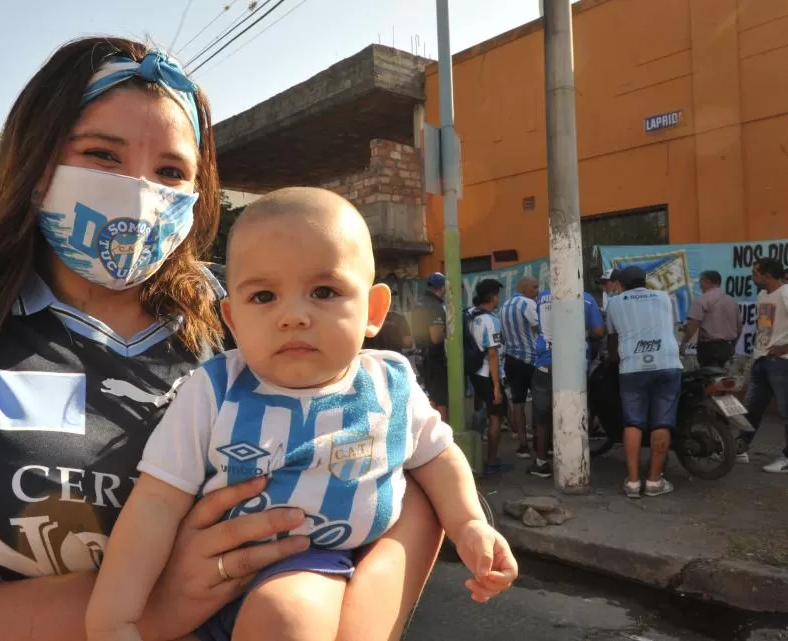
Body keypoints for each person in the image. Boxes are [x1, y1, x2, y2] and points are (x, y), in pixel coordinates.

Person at [0, 38, 444, 641]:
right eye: (102, 155)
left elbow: (403, 478)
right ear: (36, 168)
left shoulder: (251, 313)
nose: (139, 191)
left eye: (171, 170)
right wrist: (151, 606)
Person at [86, 189, 518, 641]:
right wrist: (114, 617)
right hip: (201, 578)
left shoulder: (389, 383)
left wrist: (469, 523)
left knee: (287, 615)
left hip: (311, 563)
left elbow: (436, 456)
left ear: (373, 311)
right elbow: (156, 501)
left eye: (324, 291)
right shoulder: (214, 389)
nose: (293, 316)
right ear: (232, 321)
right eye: (264, 296)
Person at [605, 266, 682, 497]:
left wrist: (613, 359)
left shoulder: (615, 303)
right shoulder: (665, 297)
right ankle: (654, 481)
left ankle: (632, 482)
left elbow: (612, 338)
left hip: (632, 367)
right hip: (667, 363)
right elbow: (672, 326)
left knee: (633, 422)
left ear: (621, 283)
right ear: (644, 281)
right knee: (662, 422)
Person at [528, 285, 605, 479]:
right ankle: (574, 459)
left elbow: (536, 324)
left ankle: (541, 461)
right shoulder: (586, 299)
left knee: (542, 418)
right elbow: (599, 330)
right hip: (575, 367)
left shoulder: (542, 298)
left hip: (545, 364)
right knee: (576, 413)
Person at [736, 258, 788, 473]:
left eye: (755, 273)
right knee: (752, 408)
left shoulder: (786, 293)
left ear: (767, 276)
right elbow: (766, 329)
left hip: (781, 363)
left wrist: (784, 348)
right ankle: (739, 448)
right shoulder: (762, 295)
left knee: (786, 411)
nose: (752, 277)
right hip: (761, 359)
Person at [466, 279, 507, 474]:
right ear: (493, 297)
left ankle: (474, 455)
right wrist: (497, 386)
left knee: (480, 411)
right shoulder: (490, 320)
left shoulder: (471, 315)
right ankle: (491, 461)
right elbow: (493, 353)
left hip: (474, 372)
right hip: (487, 374)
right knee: (495, 418)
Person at [498, 276, 540, 458]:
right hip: (530, 359)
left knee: (518, 403)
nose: (537, 290)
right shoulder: (528, 304)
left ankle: (523, 445)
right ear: (524, 287)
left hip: (511, 359)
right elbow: (538, 327)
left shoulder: (504, 306)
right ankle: (541, 443)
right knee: (540, 402)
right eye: (535, 287)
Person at [681, 270, 741, 368]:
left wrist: (684, 343)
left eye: (701, 282)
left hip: (709, 348)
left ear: (707, 282)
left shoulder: (702, 300)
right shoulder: (732, 301)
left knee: (708, 380)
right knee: (723, 378)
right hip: (727, 347)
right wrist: (733, 346)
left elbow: (693, 324)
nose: (700, 285)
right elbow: (739, 327)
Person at [413, 272, 448, 420]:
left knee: (431, 398)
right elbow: (436, 337)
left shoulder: (419, 303)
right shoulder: (435, 306)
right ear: (443, 287)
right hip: (435, 358)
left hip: (421, 356)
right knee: (441, 401)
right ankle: (442, 436)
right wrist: (449, 334)